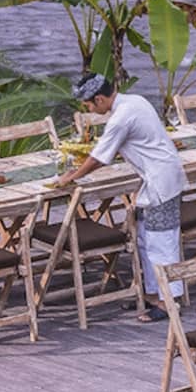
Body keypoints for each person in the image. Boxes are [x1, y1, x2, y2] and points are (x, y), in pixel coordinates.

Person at [49, 72, 186, 321]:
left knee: (161, 241)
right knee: (145, 239)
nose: (89, 110)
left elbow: (99, 158)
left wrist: (72, 176)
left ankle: (169, 301)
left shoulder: (121, 117)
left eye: (89, 105)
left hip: (161, 180)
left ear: (99, 99)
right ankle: (152, 295)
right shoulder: (135, 100)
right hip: (157, 177)